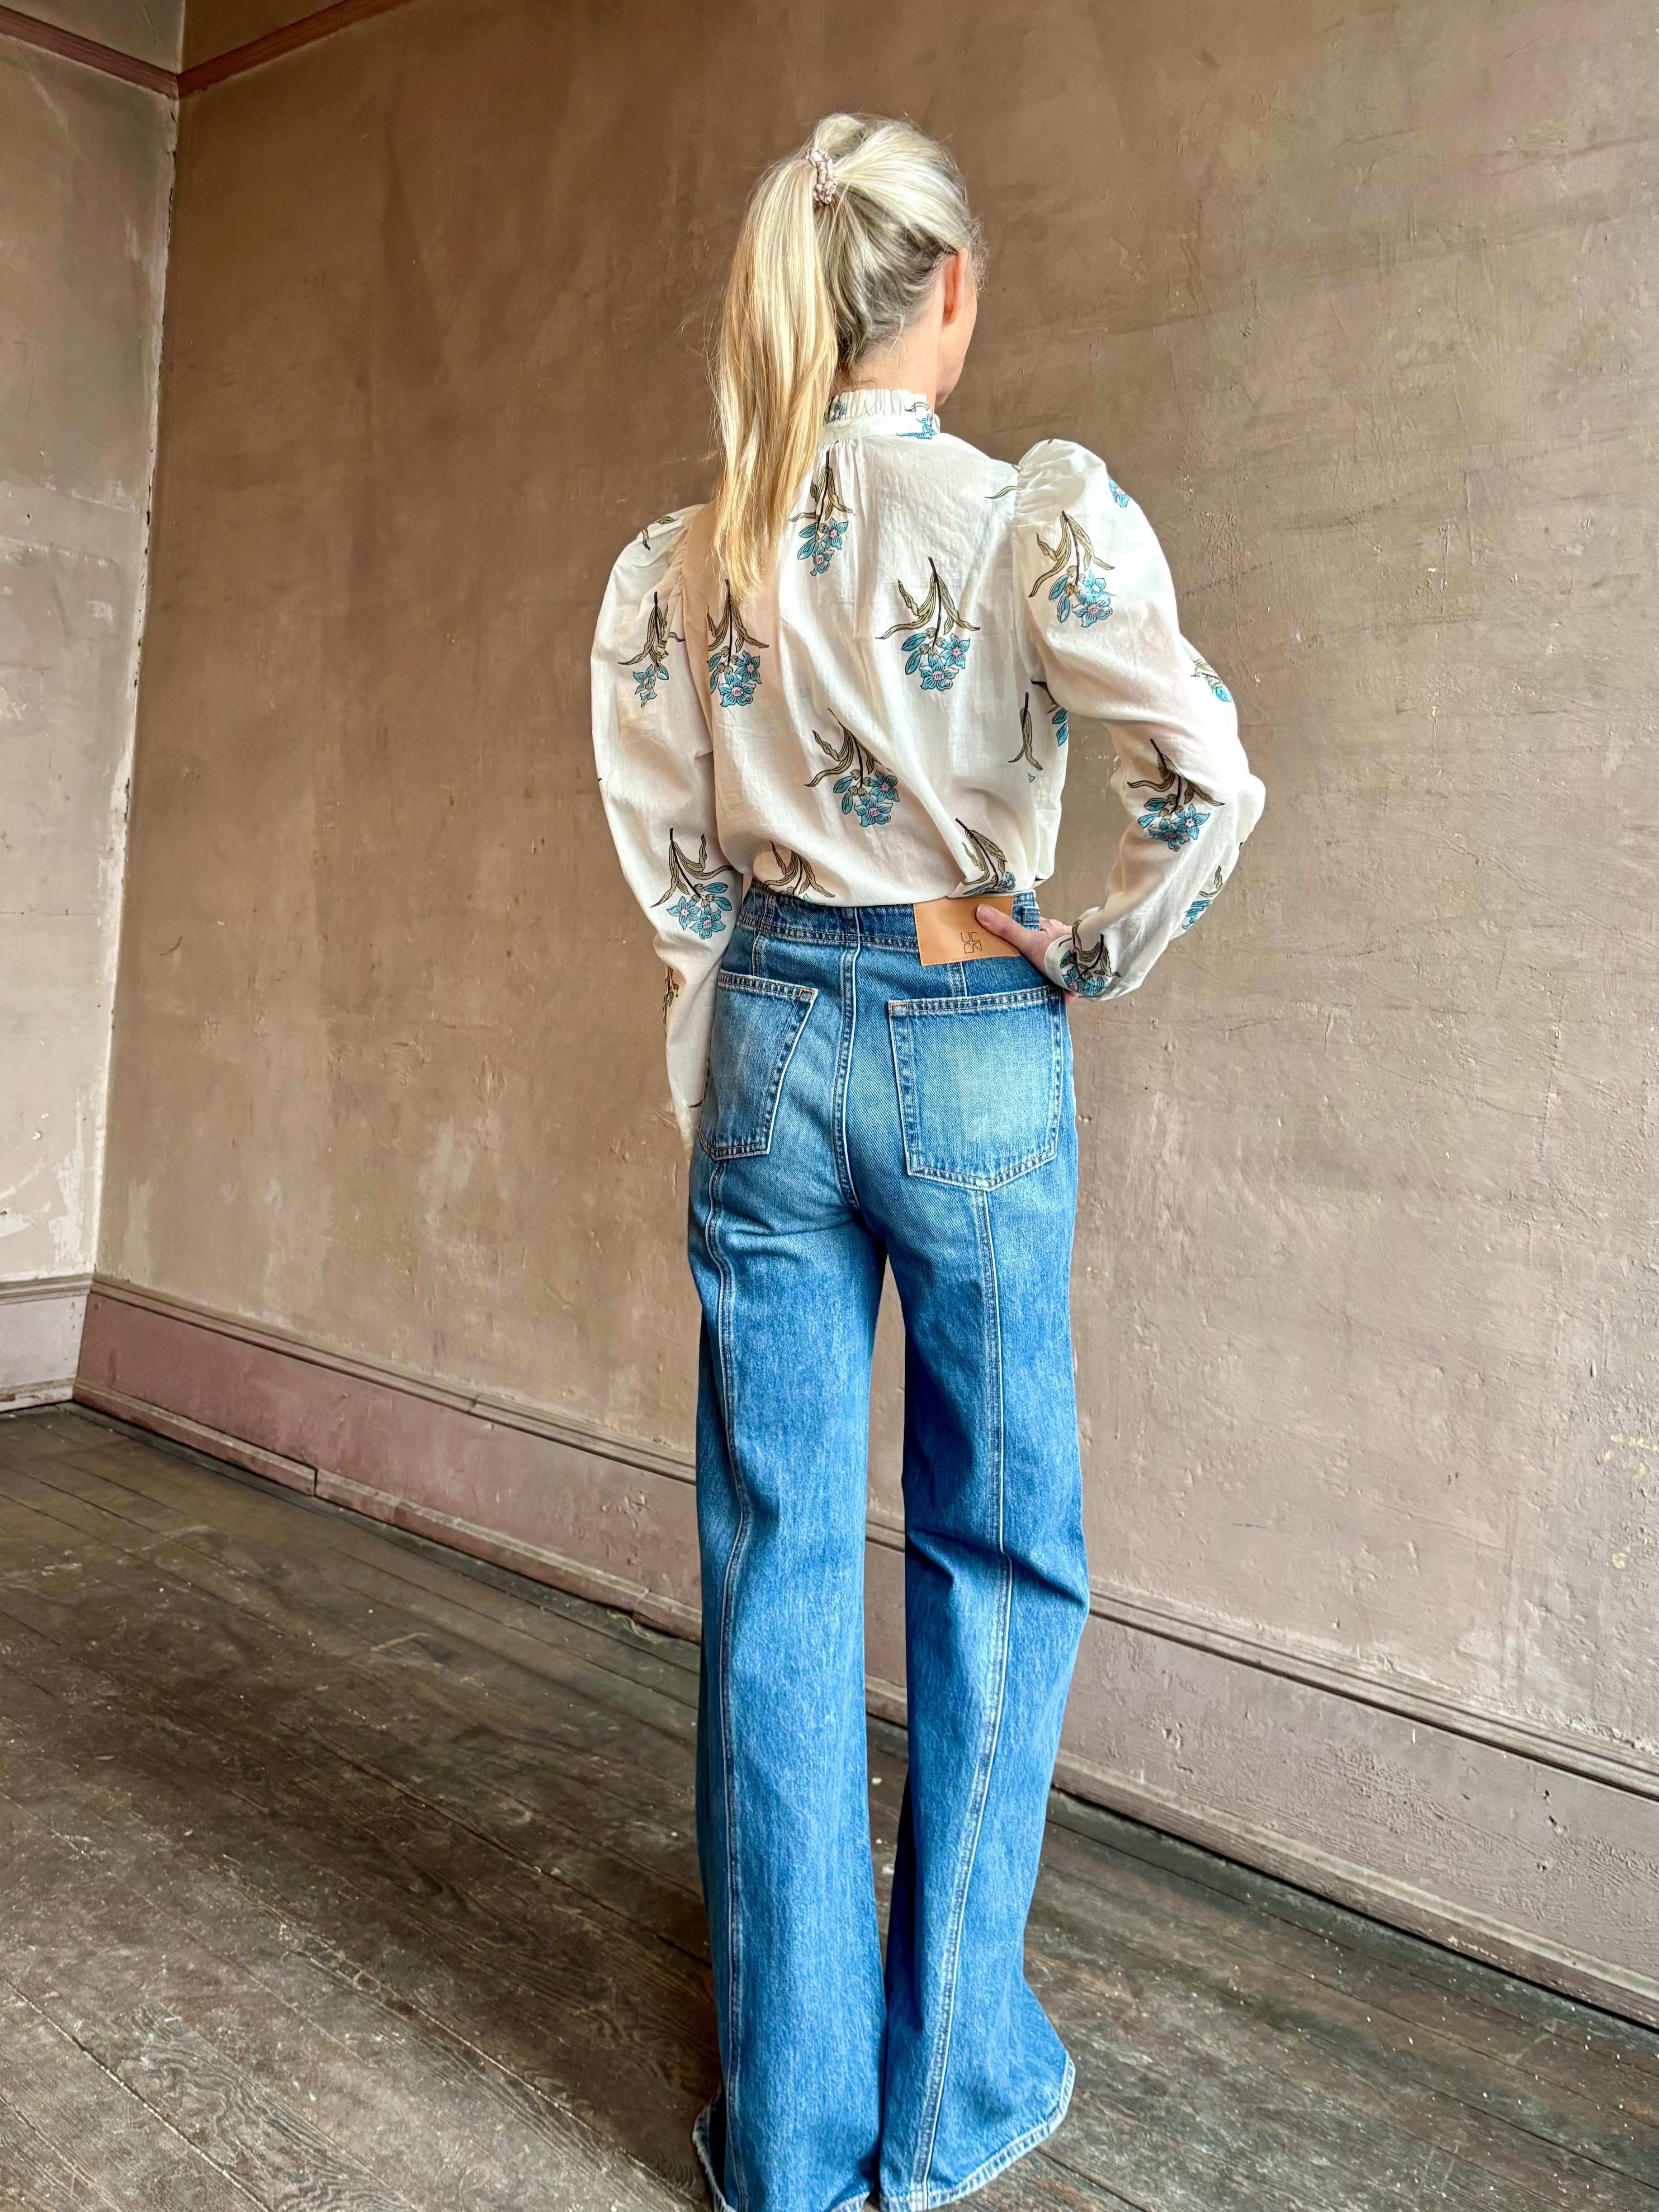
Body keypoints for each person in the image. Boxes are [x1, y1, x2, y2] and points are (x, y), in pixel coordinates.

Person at [591, 112, 1264, 2212]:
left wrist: (740, 999)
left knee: (774, 1563)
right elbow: (1207, 774)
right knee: (995, 1554)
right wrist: (1090, 943)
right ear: (948, 297)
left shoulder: (695, 552)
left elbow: (666, 852)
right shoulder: (1025, 518)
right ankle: (952, 2087)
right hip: (973, 1041)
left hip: (774, 1035)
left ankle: (786, 2145)